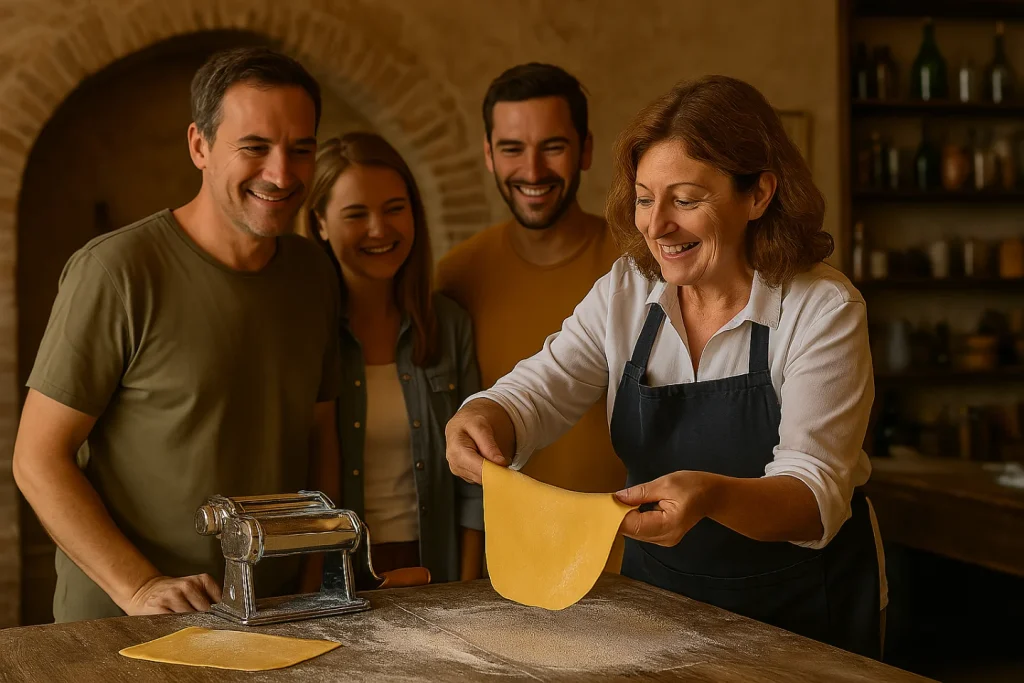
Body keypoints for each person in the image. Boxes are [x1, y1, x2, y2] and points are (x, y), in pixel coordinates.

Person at [445, 75, 887, 659]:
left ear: (757, 195)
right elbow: (543, 387)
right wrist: (486, 415)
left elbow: (814, 495)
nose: (656, 227)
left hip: (803, 610)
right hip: (663, 607)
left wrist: (711, 498)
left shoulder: (821, 308)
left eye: (685, 199)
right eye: (646, 198)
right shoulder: (628, 290)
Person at [12, 47, 342, 622]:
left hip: (273, 615)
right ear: (200, 147)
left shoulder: (314, 274)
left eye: (301, 149)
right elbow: (38, 459)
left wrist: (312, 574)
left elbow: (319, 438)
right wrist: (138, 586)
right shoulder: (116, 272)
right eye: (255, 148)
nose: (281, 173)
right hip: (126, 626)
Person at [435, 64, 626, 565]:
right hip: (512, 570)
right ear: (488, 154)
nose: (533, 170)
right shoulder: (455, 277)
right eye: (512, 149)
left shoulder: (642, 265)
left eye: (553, 147)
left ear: (585, 150)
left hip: (636, 562)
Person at [303, 133, 484, 583]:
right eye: (356, 214)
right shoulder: (302, 331)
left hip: (433, 564)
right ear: (320, 223)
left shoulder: (448, 323)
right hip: (335, 571)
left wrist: (464, 587)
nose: (379, 229)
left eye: (394, 209)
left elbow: (474, 483)